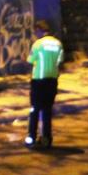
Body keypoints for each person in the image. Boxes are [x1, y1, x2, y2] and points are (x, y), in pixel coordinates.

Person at [25, 20, 63, 149]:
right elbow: (60, 60)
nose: (35, 34)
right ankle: (46, 138)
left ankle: (31, 137)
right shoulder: (58, 44)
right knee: (47, 110)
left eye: (36, 31)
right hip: (52, 81)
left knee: (35, 109)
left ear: (39, 30)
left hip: (39, 81)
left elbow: (30, 60)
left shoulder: (38, 44)